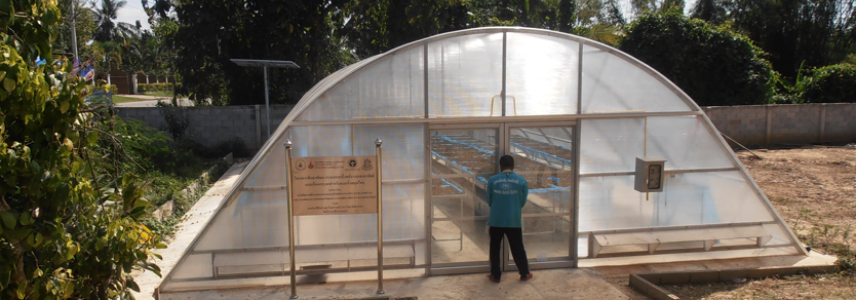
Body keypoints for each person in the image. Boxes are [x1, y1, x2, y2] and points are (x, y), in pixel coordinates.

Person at [486, 155, 533, 282]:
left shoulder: (492, 180)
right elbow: (522, 201)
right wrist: (514, 207)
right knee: (517, 248)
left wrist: (498, 207)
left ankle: (495, 275)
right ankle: (524, 273)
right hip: (513, 220)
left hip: (496, 220)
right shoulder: (521, 180)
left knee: (495, 248)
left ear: (500, 166)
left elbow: (489, 200)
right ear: (513, 166)